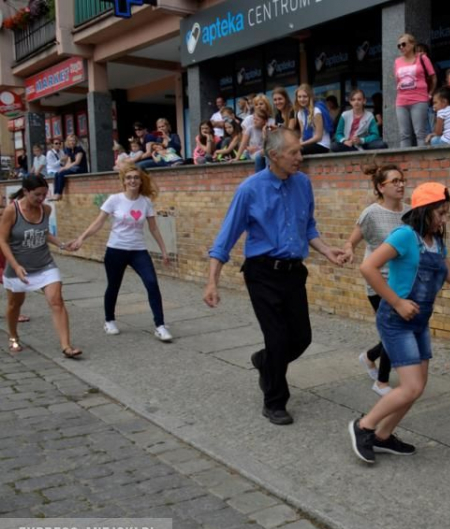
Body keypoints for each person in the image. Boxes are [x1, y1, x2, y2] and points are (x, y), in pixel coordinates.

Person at [348, 182, 450, 464]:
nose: (444, 219)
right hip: (395, 320)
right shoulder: (405, 236)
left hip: (419, 322)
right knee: (412, 387)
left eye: (446, 213)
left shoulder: (437, 243)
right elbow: (367, 268)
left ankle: (383, 436)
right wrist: (396, 301)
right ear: (424, 211)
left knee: (418, 386)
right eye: (440, 213)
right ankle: (364, 427)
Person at [203, 128, 345, 426]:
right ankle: (275, 401)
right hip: (262, 273)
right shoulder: (250, 189)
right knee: (278, 339)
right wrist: (212, 281)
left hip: (294, 273)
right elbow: (225, 238)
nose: (299, 157)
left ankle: (265, 361)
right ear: (274, 156)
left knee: (302, 338)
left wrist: (327, 251)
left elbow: (308, 228)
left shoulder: (303, 184)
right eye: (293, 152)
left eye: (299, 151)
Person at [70, 164, 172, 342]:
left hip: (138, 251)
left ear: (141, 181)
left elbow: (154, 229)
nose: (132, 180)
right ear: (124, 181)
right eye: (129, 178)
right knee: (114, 286)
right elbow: (98, 222)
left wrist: (164, 250)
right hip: (116, 249)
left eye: (136, 178)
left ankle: (160, 326)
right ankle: (109, 320)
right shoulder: (114, 200)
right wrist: (81, 238)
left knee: (152, 284)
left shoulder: (145, 202)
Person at [342, 163, 409, 396]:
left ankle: (369, 357)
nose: (401, 185)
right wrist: (349, 250)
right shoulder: (371, 213)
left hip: (403, 281)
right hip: (378, 281)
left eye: (402, 180)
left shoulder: (410, 212)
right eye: (395, 181)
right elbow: (352, 240)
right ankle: (381, 382)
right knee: (395, 331)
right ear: (381, 187)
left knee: (396, 330)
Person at [0, 174, 81, 357]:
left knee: (57, 301)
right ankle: (13, 336)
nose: (41, 199)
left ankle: (66, 346)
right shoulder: (12, 211)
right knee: (15, 304)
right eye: (37, 194)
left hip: (44, 264)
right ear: (26, 192)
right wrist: (15, 265)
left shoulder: (46, 209)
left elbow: (43, 233)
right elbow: (2, 241)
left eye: (44, 194)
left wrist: (61, 245)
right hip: (18, 268)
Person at [394, 33, 436, 148]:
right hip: (401, 101)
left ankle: (421, 164)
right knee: (404, 135)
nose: (401, 47)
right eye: (399, 46)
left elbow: (433, 77)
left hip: (419, 99)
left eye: (404, 44)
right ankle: (405, 164)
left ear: (412, 44)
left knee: (420, 134)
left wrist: (430, 94)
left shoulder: (422, 58)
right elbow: (397, 80)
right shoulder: (397, 61)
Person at [294, 84, 333, 155]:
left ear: (310, 97)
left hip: (322, 144)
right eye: (299, 97)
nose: (302, 99)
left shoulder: (316, 111)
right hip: (308, 143)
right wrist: (298, 142)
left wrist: (302, 144)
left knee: (297, 152)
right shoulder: (300, 113)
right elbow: (302, 134)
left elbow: (318, 137)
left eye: (305, 96)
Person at [51, 135, 87, 201]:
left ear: (76, 141)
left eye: (73, 140)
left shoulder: (79, 149)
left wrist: (65, 169)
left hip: (80, 168)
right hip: (73, 168)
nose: (72, 142)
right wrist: (63, 168)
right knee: (57, 173)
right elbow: (69, 162)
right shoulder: (69, 150)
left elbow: (77, 162)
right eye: (70, 140)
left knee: (62, 174)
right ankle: (55, 193)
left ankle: (59, 193)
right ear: (68, 142)